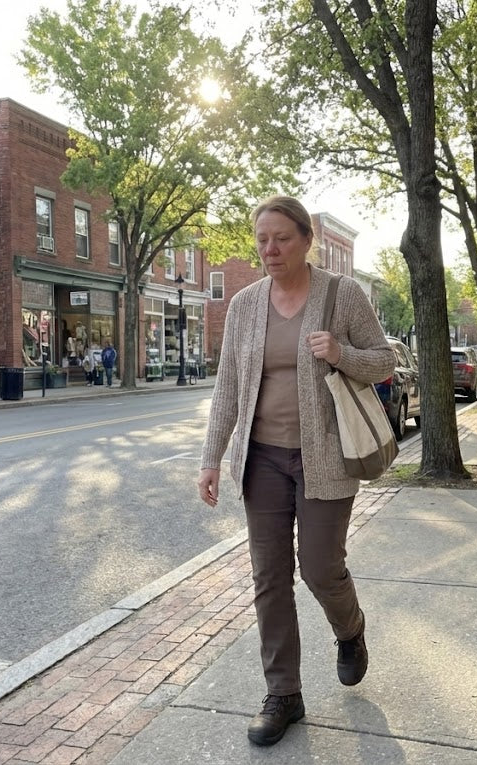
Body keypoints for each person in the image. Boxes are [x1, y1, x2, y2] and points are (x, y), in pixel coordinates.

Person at [197, 196, 393, 747]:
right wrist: (212, 458)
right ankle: (283, 692)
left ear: (307, 240)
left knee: (321, 568)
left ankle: (350, 629)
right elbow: (228, 388)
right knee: (269, 578)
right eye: (262, 239)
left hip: (324, 457)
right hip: (262, 458)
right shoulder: (244, 305)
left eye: (282, 237)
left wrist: (340, 353)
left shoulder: (341, 295)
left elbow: (385, 360)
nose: (270, 249)